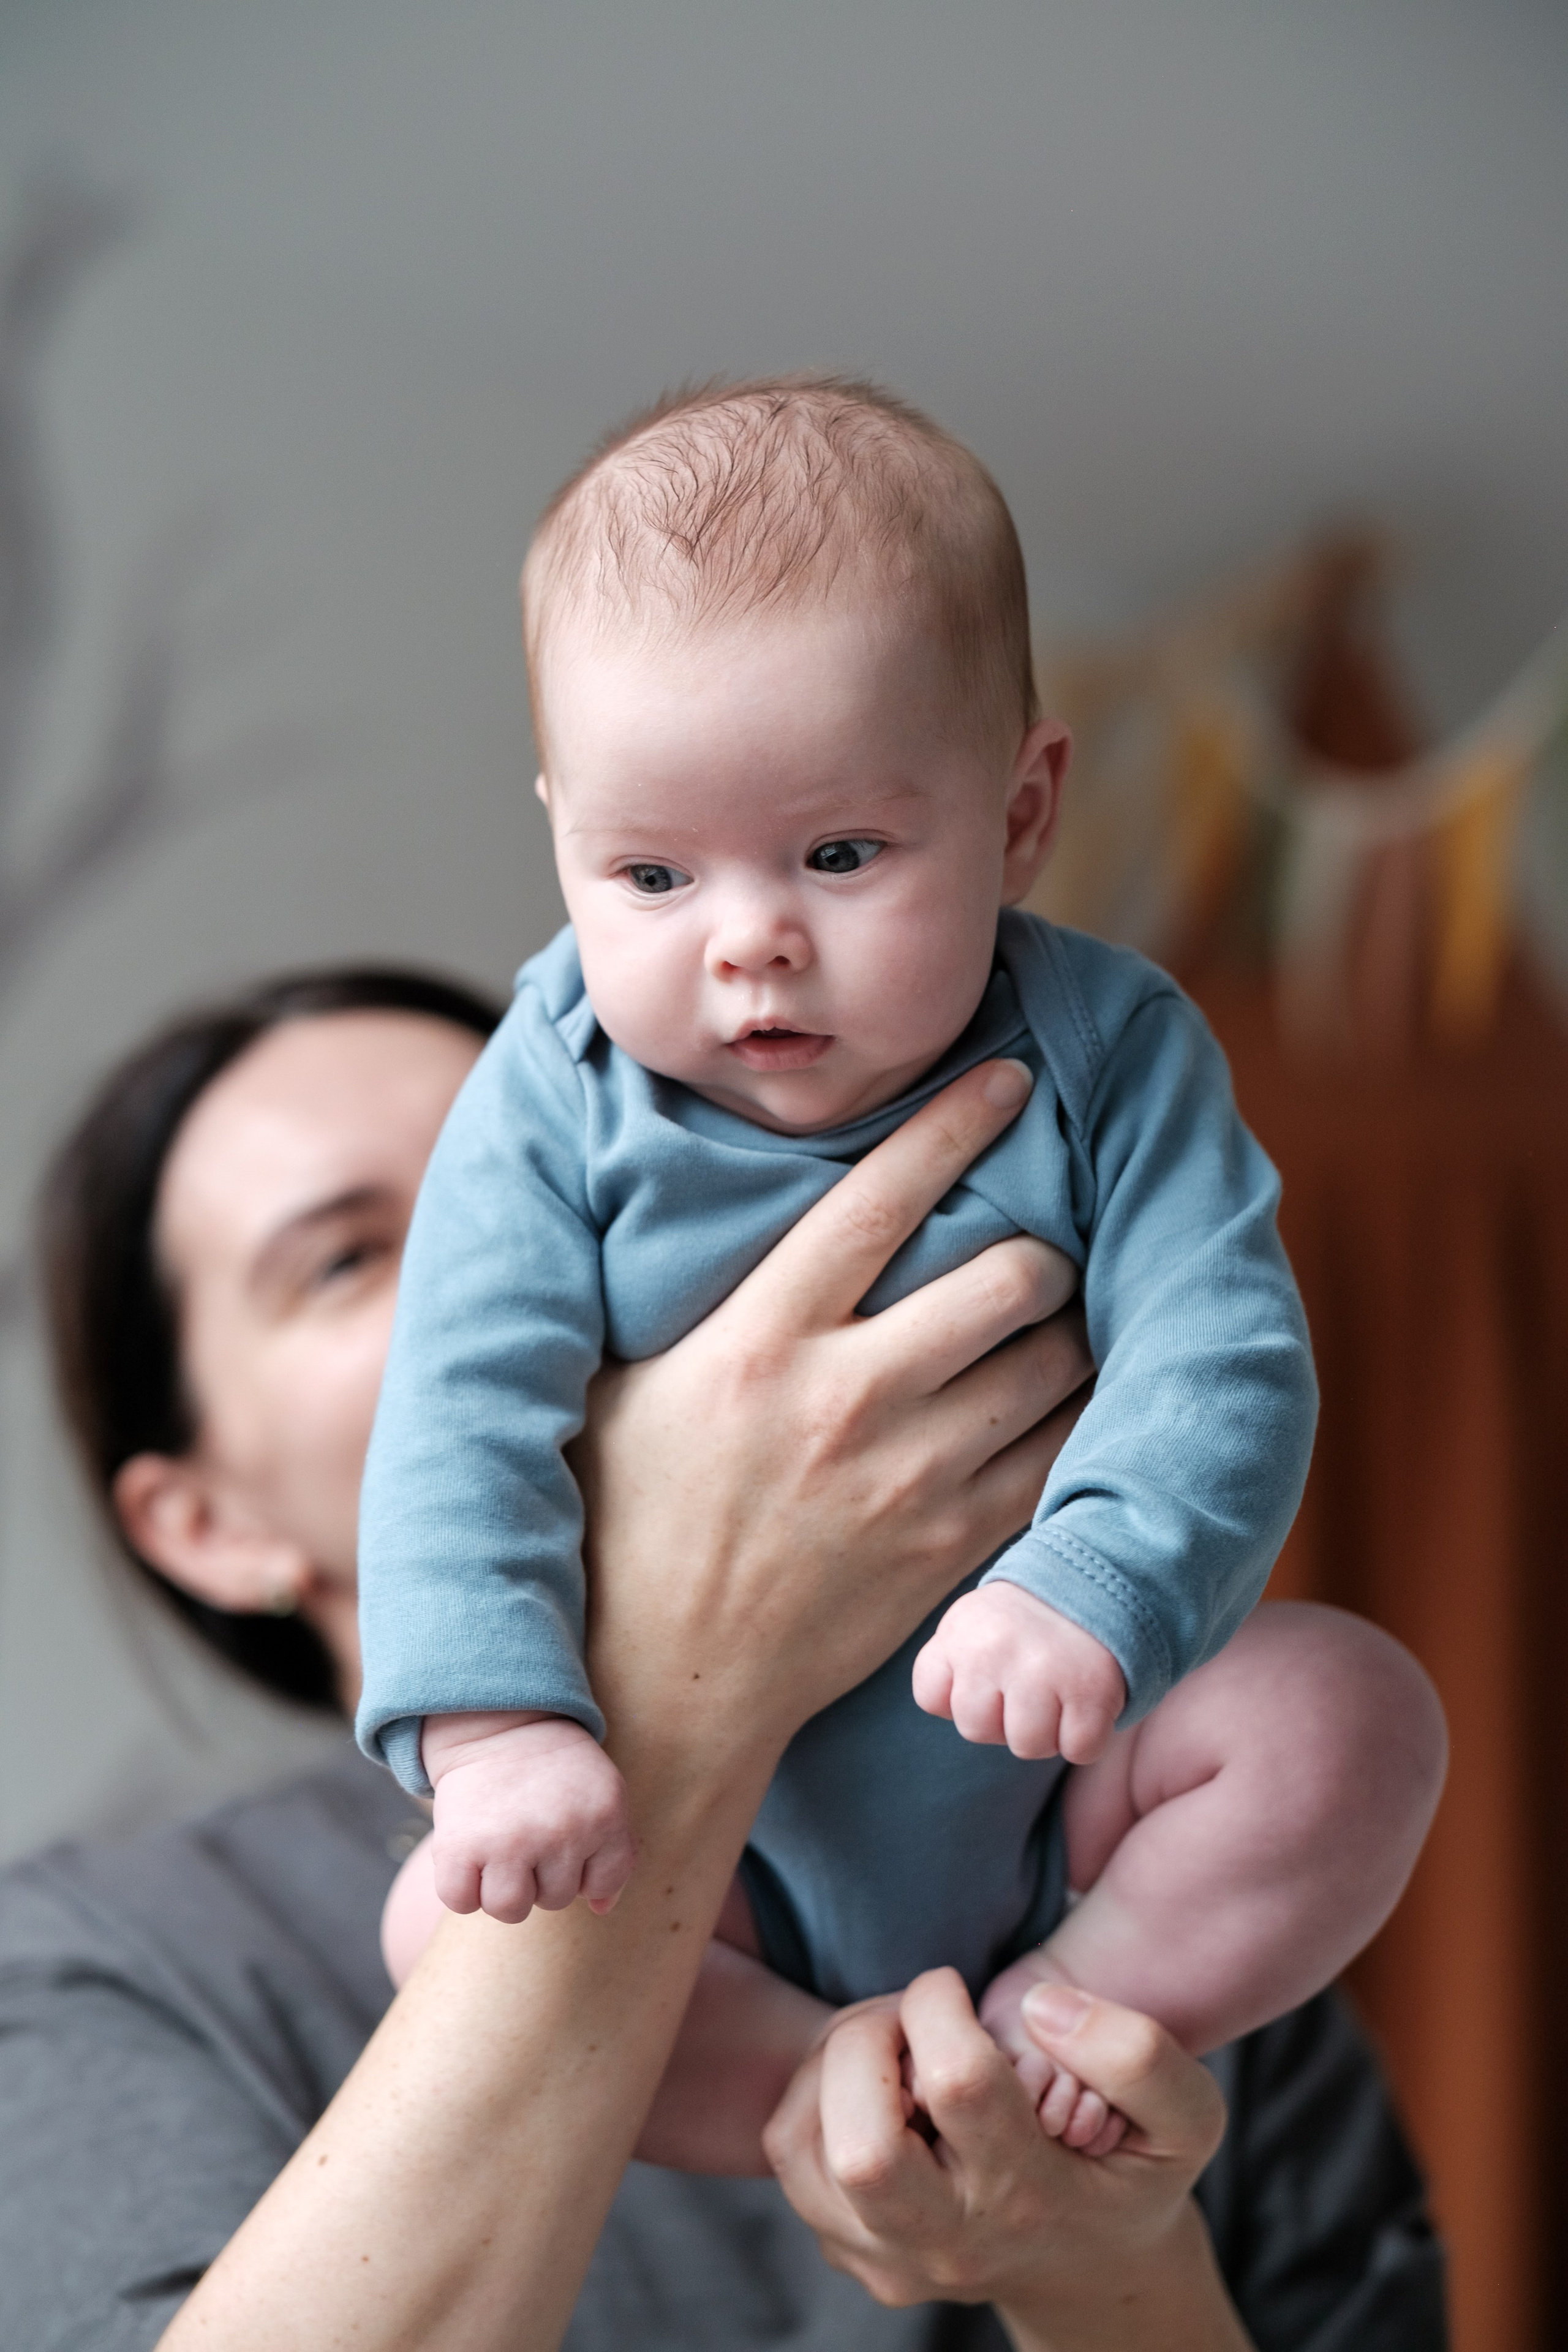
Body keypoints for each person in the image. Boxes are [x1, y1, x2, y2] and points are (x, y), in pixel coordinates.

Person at [0, 966, 1444, 2347]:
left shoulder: (1171, 1869)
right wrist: (685, 1684)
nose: (492, 1263)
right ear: (205, 1525)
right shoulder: (108, 1966)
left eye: (523, 1186)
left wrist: (1097, 2277)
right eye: (346, 1256)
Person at [356, 376, 1445, 2147]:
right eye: (649, 875)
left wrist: (1090, 1585)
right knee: (440, 1930)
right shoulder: (551, 1091)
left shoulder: (1106, 1048)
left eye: (840, 854)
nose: (750, 942)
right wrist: (495, 1734)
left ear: (1019, 813)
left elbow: (1223, 1352)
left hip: (1064, 1783)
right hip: (709, 1852)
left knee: (1351, 1719)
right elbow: (456, 1418)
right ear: (560, 829)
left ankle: (1065, 2011)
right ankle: (823, 2099)